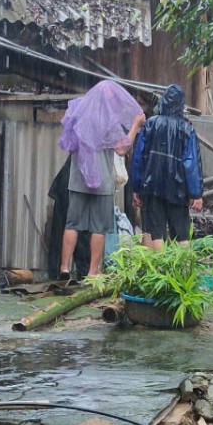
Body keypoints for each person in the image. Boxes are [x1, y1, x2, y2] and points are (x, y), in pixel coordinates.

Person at [58, 80, 145, 279]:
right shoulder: (109, 121)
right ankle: (93, 272)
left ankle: (64, 268)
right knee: (99, 228)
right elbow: (122, 149)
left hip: (78, 180)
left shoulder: (79, 113)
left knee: (72, 224)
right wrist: (135, 125)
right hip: (103, 182)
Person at [130, 84, 203, 249]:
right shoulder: (187, 129)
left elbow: (138, 158)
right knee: (181, 234)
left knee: (155, 232)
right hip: (178, 189)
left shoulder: (150, 125)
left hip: (152, 185)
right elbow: (191, 163)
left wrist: (136, 186)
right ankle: (181, 273)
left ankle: (159, 270)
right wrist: (196, 193)